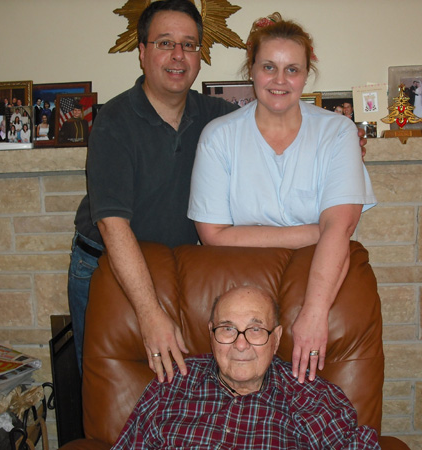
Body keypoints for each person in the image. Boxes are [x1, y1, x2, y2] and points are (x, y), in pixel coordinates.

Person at [69, 0, 367, 379]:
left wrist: (347, 142)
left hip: (178, 267)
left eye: (189, 45)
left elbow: (264, 123)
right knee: (105, 379)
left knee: (181, 384)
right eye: (165, 43)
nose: (178, 55)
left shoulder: (216, 117)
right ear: (142, 52)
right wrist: (150, 314)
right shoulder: (114, 121)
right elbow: (113, 227)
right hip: (109, 264)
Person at [188, 15, 376, 383]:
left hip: (319, 283)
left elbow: (340, 228)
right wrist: (318, 230)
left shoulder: (337, 133)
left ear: (306, 75)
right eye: (268, 67)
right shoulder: (219, 137)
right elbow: (212, 234)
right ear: (252, 70)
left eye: (292, 69)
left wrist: (314, 313)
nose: (279, 80)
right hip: (237, 291)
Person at [111, 286, 381, 450]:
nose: (240, 345)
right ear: (211, 334)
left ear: (276, 339)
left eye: (255, 330)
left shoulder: (311, 397)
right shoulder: (172, 385)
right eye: (227, 329)